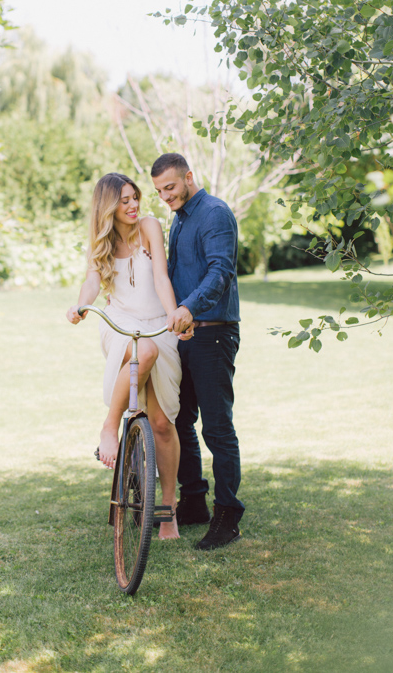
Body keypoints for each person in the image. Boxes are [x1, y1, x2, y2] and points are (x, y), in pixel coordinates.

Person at [66, 172, 190, 540]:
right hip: (119, 321)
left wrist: (173, 315)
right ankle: (109, 426)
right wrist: (82, 305)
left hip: (155, 320)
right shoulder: (100, 242)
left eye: (135, 197)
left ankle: (168, 512)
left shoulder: (150, 226)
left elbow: (162, 277)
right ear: (108, 206)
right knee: (144, 350)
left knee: (163, 424)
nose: (134, 205)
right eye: (124, 200)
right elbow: (92, 280)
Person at [151, 153, 244, 550]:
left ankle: (228, 515)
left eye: (170, 187)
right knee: (179, 419)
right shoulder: (179, 219)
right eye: (158, 191)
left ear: (189, 177)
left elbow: (221, 270)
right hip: (183, 336)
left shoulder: (215, 213)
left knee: (217, 428)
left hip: (213, 334)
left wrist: (189, 308)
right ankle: (193, 501)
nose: (165, 196)